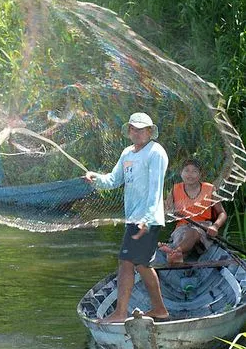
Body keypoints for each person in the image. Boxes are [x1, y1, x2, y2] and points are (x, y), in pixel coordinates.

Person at [84, 112, 169, 323]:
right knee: (140, 265)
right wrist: (95, 178)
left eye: (142, 129)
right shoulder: (127, 154)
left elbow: (156, 189)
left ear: (150, 132)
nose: (138, 133)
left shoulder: (156, 152)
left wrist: (147, 219)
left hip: (147, 219)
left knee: (127, 263)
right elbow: (113, 180)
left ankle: (121, 312)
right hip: (133, 219)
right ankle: (159, 309)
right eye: (134, 129)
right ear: (129, 131)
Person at [159, 158, 227, 263]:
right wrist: (163, 208)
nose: (190, 174)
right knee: (184, 238)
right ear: (181, 173)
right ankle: (178, 255)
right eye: (186, 170)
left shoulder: (209, 189)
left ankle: (175, 251)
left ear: (200, 175)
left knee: (193, 232)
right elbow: (167, 209)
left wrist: (215, 226)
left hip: (203, 227)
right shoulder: (175, 189)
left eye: (194, 171)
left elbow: (222, 213)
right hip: (182, 227)